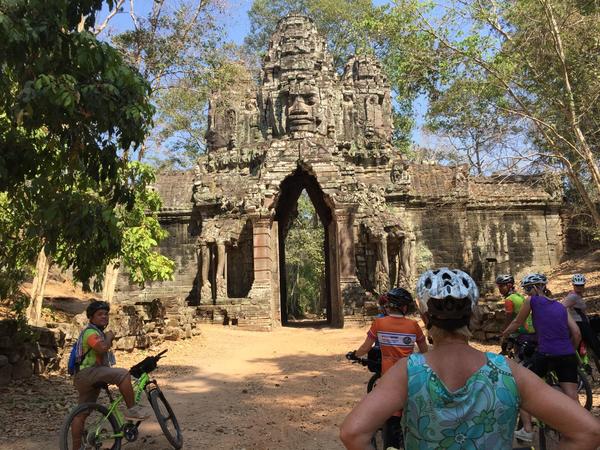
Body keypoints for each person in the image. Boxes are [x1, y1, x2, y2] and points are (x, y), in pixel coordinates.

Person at [341, 268, 600, 450]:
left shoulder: (408, 371)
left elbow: (353, 433)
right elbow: (588, 431)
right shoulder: (507, 372)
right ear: (473, 317)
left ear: (426, 318)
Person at [502, 273, 582, 443]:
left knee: (522, 387)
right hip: (567, 355)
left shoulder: (532, 301)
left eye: (527, 289)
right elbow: (576, 333)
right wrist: (569, 350)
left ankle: (527, 430)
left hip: (545, 354)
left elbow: (517, 322)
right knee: (572, 396)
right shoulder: (561, 306)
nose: (526, 292)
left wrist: (504, 335)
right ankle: (579, 430)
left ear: (535, 288)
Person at [346, 287, 428, 449]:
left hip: (389, 379)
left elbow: (366, 347)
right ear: (404, 307)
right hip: (409, 376)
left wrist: (354, 354)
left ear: (390, 305)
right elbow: (424, 352)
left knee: (391, 417)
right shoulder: (414, 326)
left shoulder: (379, 323)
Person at [71, 300, 150, 449]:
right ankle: (132, 409)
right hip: (89, 373)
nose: (104, 316)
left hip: (85, 375)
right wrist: (109, 336)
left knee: (81, 414)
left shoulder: (96, 332)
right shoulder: (90, 332)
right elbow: (102, 348)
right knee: (123, 375)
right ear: (91, 317)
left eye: (106, 314)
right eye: (100, 314)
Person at [562, 273, 600, 360]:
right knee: (595, 343)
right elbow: (561, 307)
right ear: (573, 285)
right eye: (577, 285)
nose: (579, 287)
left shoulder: (576, 295)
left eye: (581, 285)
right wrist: (569, 320)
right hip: (579, 323)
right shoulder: (573, 297)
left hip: (582, 321)